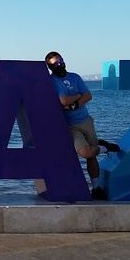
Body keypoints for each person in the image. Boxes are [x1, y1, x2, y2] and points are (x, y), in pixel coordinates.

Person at [45, 51, 106, 199]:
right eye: (55, 63)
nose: (60, 64)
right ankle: (104, 147)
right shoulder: (52, 81)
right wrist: (79, 96)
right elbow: (63, 101)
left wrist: (74, 104)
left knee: (92, 158)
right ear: (50, 67)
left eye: (60, 61)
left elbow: (88, 95)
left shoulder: (75, 77)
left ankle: (96, 188)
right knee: (85, 152)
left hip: (86, 120)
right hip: (70, 126)